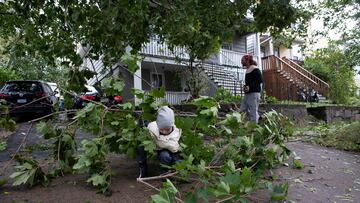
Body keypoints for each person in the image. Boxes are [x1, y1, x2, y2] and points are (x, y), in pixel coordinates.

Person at [137, 106, 182, 178]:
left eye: (167, 130)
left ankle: (166, 175)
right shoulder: (153, 127)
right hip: (154, 146)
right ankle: (143, 170)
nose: (164, 131)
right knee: (140, 147)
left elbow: (173, 148)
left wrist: (158, 141)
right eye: (162, 129)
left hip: (166, 150)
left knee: (165, 156)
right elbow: (147, 125)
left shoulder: (176, 134)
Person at [240, 54, 263, 123]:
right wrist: (246, 87)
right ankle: (258, 119)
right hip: (248, 93)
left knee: (253, 110)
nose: (241, 61)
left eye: (242, 60)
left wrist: (249, 86)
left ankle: (254, 127)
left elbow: (259, 80)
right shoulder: (248, 70)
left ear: (247, 60)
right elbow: (250, 82)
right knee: (243, 109)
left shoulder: (254, 69)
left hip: (254, 93)